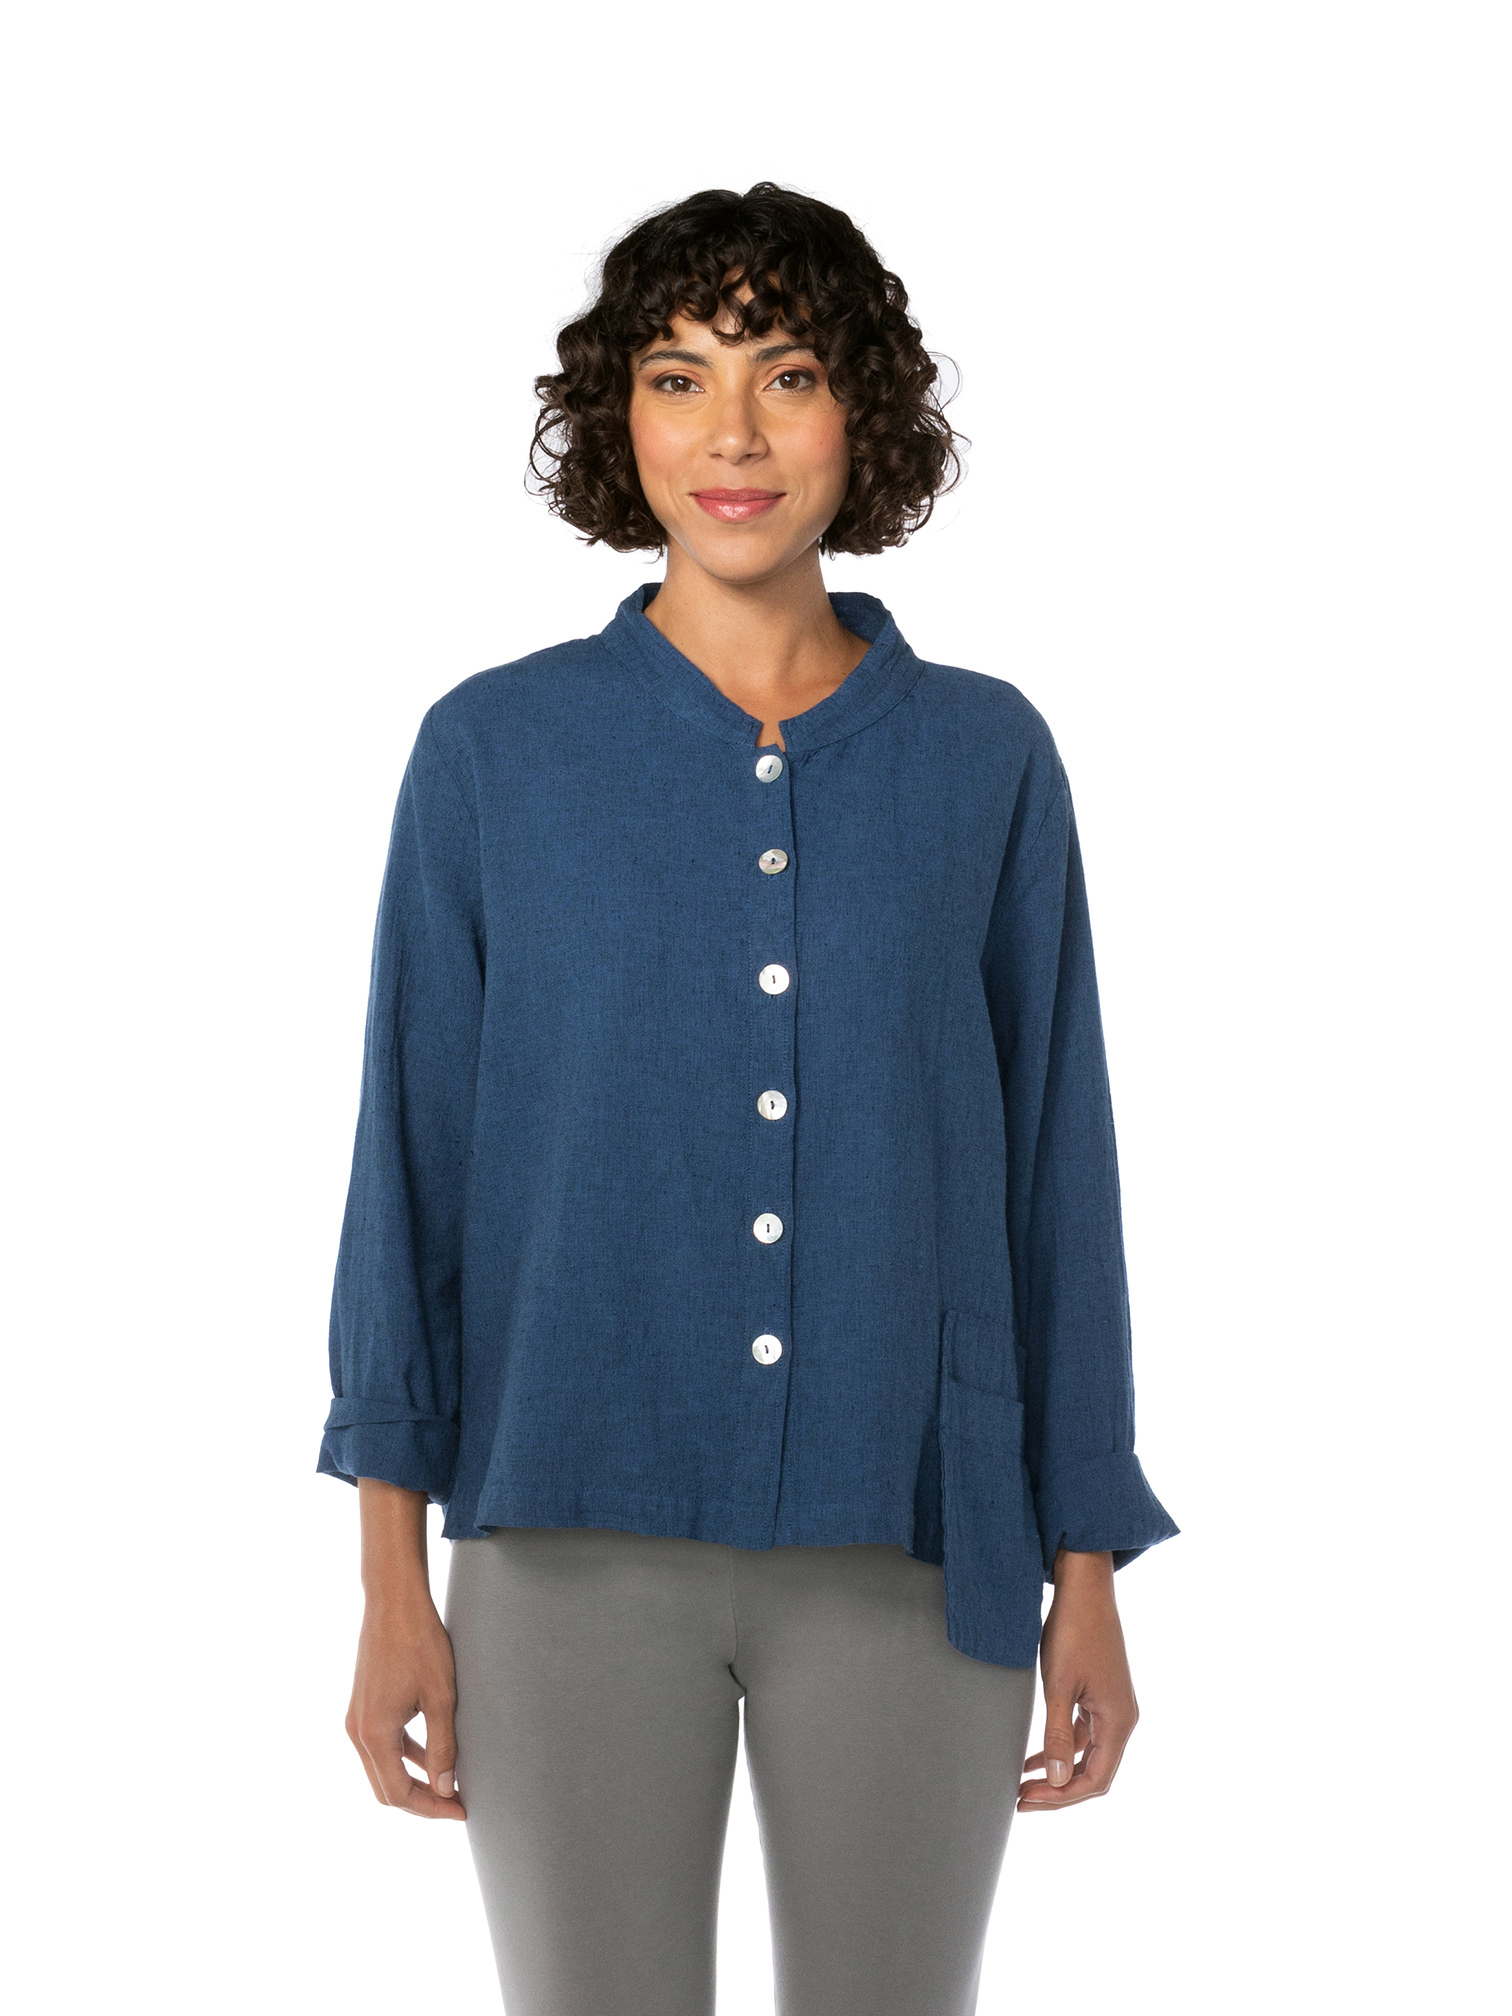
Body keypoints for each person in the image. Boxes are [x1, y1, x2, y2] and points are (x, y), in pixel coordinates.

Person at [318, 181, 1178, 2016]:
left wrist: (1088, 1559)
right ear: (616, 421)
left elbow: (1059, 1179)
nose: (731, 435)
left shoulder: (986, 759)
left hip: (915, 1544)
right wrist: (392, 1578)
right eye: (677, 377)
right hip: (564, 1544)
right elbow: (410, 1171)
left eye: (786, 375)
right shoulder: (493, 753)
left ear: (861, 414)